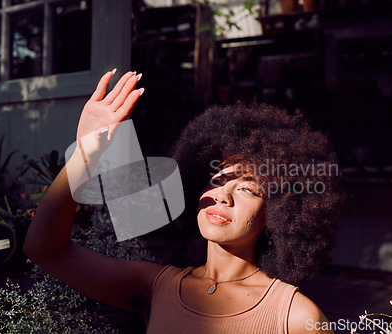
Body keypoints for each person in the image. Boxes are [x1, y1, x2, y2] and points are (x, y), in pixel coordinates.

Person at [24, 70, 341, 333]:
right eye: (217, 180)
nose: (222, 195)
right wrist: (83, 155)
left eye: (247, 188)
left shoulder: (295, 316)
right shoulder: (156, 286)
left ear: (277, 217)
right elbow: (43, 248)